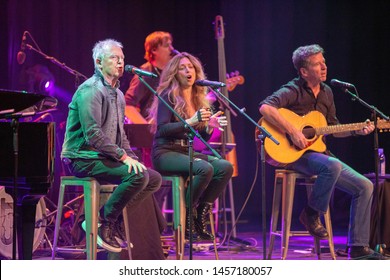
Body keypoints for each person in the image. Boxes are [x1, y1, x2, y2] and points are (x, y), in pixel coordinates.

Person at [259, 44, 385, 260]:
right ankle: (311, 213)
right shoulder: (292, 90)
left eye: (324, 62)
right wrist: (294, 131)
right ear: (304, 71)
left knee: (365, 185)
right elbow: (265, 108)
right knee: (333, 165)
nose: (324, 67)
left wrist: (357, 131)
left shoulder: (327, 92)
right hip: (291, 154)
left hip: (319, 155)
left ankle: (357, 247)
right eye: (318, 64)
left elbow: (334, 129)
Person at [61, 39, 162, 253]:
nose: (120, 62)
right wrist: (122, 157)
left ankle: (111, 220)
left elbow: (120, 135)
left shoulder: (117, 94)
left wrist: (131, 157)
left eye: (122, 58)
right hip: (81, 158)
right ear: (99, 62)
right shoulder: (90, 90)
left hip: (102, 157)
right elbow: (93, 135)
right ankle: (104, 222)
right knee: (137, 176)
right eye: (115, 58)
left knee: (152, 178)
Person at [150, 52, 234, 240]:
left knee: (225, 166)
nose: (188, 71)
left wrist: (208, 127)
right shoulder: (168, 95)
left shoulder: (198, 98)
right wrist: (190, 121)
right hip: (165, 152)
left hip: (185, 151)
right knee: (204, 168)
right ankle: (189, 213)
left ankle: (201, 212)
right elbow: (161, 130)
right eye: (182, 67)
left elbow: (200, 136)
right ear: (175, 73)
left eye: (191, 67)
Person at [125, 31, 177, 125]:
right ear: (154, 50)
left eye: (171, 45)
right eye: (167, 46)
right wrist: (146, 129)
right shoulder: (145, 73)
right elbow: (127, 105)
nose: (172, 49)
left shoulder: (170, 73)